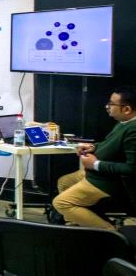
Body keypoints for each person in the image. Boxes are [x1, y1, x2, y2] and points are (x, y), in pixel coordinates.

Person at [52, 86, 136, 230]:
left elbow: (132, 168)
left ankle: (111, 234)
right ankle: (81, 225)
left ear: (127, 109)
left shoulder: (133, 130)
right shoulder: (124, 123)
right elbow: (112, 145)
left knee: (61, 203)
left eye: (111, 104)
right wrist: (94, 147)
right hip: (98, 175)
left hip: (108, 181)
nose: (107, 107)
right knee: (64, 182)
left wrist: (96, 164)